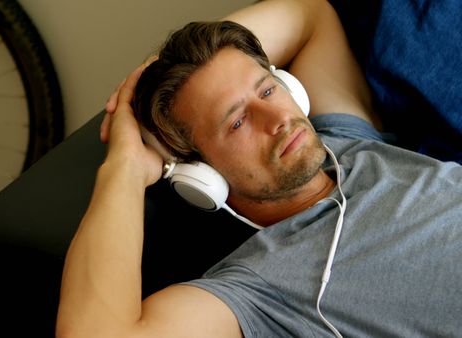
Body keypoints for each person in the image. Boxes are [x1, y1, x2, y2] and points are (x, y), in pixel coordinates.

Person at [56, 0, 462, 337]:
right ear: (201, 175)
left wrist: (143, 76)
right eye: (236, 122)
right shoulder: (265, 288)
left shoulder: (346, 145)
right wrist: (124, 166)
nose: (276, 118)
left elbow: (309, 13)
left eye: (267, 88)